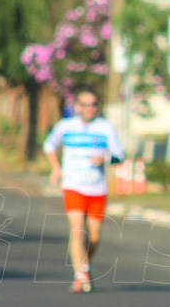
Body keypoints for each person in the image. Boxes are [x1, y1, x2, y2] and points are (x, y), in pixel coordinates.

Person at [42, 89, 124, 293]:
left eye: (93, 104)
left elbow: (119, 155)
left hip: (97, 188)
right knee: (77, 230)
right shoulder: (65, 126)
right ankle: (79, 275)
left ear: (98, 107)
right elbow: (49, 145)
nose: (89, 109)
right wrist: (55, 168)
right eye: (85, 104)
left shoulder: (105, 128)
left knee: (94, 237)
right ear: (77, 106)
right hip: (73, 186)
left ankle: (84, 266)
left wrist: (104, 159)